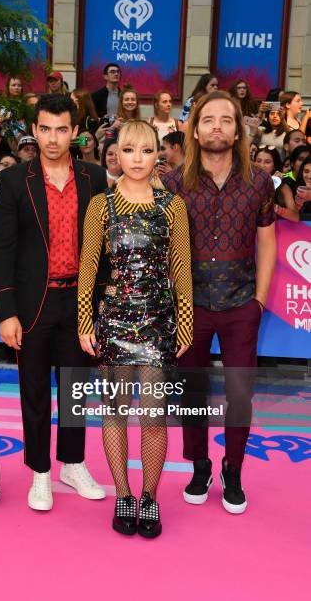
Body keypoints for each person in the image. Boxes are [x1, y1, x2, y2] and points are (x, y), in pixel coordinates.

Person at [0, 93, 108, 511]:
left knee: (76, 389)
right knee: (35, 390)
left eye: (62, 129)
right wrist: (6, 312)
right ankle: (40, 472)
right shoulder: (13, 180)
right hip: (33, 303)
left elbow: (104, 247)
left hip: (80, 302)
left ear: (75, 132)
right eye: (45, 129)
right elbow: (2, 249)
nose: (53, 138)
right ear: (34, 130)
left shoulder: (94, 178)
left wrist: (101, 305)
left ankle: (72, 463)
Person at [162, 90, 276, 515]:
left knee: (239, 393)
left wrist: (259, 301)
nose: (216, 127)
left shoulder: (259, 182)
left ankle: (233, 468)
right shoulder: (173, 183)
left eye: (225, 120)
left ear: (237, 129)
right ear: (195, 128)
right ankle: (200, 465)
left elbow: (267, 241)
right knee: (191, 391)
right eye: (208, 119)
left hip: (241, 304)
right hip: (190, 307)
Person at [78, 120, 193, 537]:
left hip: (160, 322)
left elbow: (180, 269)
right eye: (129, 150)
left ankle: (149, 497)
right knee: (114, 412)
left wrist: (184, 325)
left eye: (146, 151)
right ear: (116, 154)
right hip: (112, 322)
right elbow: (88, 266)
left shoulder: (172, 206)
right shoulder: (100, 205)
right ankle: (123, 494)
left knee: (154, 416)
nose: (138, 159)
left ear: (157, 155)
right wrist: (84, 322)